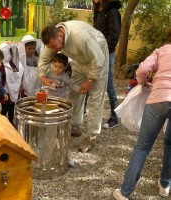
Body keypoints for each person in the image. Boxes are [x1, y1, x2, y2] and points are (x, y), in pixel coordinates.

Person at [113, 29, 171, 200]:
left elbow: (143, 69)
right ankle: (165, 185)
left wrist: (143, 83)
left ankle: (125, 193)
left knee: (143, 147)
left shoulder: (162, 51)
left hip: (159, 99)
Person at [38, 20, 109, 152]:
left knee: (95, 98)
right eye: (51, 47)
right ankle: (75, 126)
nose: (54, 50)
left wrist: (90, 81)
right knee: (73, 93)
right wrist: (42, 77)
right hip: (79, 61)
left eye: (54, 46)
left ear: (60, 35)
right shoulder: (53, 39)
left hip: (98, 59)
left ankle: (92, 136)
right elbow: (44, 59)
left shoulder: (80, 37)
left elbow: (99, 61)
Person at [92, 0, 122, 128]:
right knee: (92, 79)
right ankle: (88, 112)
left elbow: (115, 35)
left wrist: (103, 50)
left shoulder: (112, 11)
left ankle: (114, 117)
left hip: (107, 52)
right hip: (97, 51)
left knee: (109, 84)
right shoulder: (98, 10)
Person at [0, 43, 24, 125]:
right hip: (5, 91)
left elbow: (18, 76)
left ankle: (10, 122)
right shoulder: (1, 65)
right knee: (5, 108)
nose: (9, 55)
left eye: (11, 53)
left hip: (13, 90)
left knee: (12, 108)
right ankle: (0, 122)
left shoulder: (15, 64)